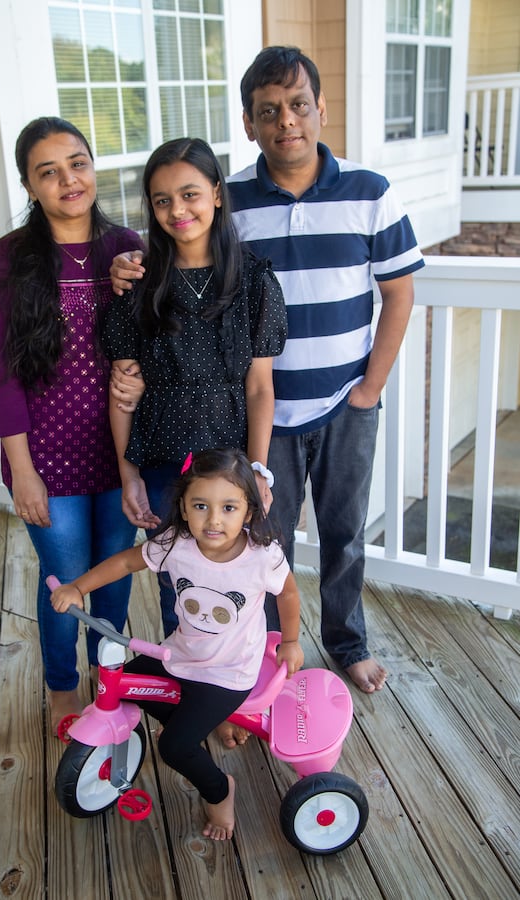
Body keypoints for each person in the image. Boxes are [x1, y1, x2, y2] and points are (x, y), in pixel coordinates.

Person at [110, 47, 425, 712]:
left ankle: (347, 641)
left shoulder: (370, 192)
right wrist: (131, 266)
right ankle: (249, 662)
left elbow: (398, 293)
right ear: (250, 124)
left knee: (343, 530)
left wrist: (368, 389)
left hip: (344, 403)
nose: (287, 121)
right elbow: (181, 251)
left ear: (320, 109)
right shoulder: (234, 205)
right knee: (258, 546)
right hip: (259, 417)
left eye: (298, 105)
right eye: (268, 112)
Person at [0, 116, 146, 733]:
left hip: (121, 452)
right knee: (66, 581)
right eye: (48, 171)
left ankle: (111, 678)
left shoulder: (126, 247)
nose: (68, 180)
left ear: (93, 167)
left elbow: (157, 341)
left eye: (77, 162)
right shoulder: (10, 260)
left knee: (115, 577)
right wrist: (22, 472)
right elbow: (3, 376)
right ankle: (60, 683)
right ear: (30, 184)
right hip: (45, 459)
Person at [50, 447, 304, 841]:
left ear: (249, 512)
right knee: (123, 686)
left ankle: (220, 791)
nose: (214, 519)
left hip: (227, 674)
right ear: (183, 508)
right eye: (201, 505)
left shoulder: (260, 556)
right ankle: (191, 727)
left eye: (229, 508)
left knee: (172, 748)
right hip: (180, 656)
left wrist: (290, 641)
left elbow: (287, 594)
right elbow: (124, 563)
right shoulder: (176, 543)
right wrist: (78, 587)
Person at [102, 137, 288, 637]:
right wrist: (129, 474)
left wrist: (258, 470)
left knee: (244, 581)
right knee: (179, 588)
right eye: (162, 200)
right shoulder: (138, 284)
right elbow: (122, 394)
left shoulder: (253, 280)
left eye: (189, 195)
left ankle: (244, 688)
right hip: (166, 461)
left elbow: (259, 388)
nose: (176, 210)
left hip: (231, 465)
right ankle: (187, 688)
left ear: (217, 194)